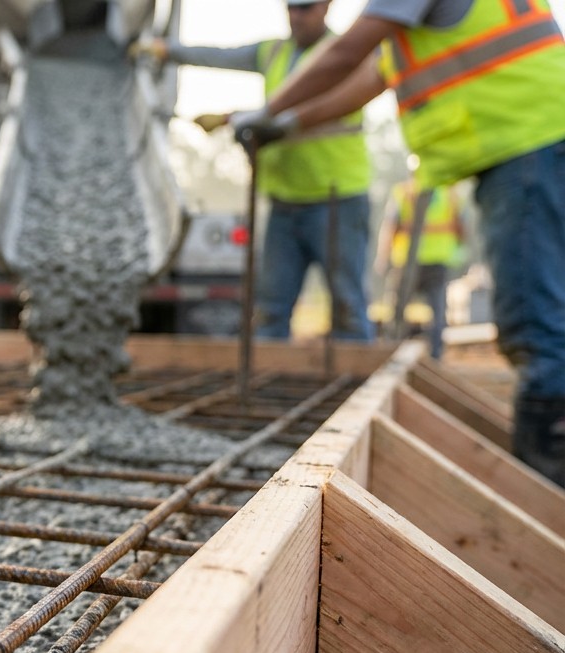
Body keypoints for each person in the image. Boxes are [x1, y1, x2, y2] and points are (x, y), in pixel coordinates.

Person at [230, 0, 565, 487]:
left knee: (535, 327)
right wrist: (290, 124)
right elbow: (368, 78)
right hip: (534, 144)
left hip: (532, 145)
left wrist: (268, 108)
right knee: (543, 319)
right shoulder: (411, 25)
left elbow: (347, 52)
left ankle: (550, 487)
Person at [134, 0, 376, 342]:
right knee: (269, 310)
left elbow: (319, 107)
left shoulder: (344, 55)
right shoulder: (273, 51)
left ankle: (355, 380)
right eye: (291, 8)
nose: (296, 16)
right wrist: (166, 50)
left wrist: (241, 117)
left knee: (348, 307)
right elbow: (220, 55)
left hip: (337, 200)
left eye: (305, 8)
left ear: (326, 7)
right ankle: (270, 384)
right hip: (284, 202)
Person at [375, 177, 466, 359]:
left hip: (415, 261)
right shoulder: (448, 193)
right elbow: (461, 228)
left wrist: (383, 257)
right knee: (434, 311)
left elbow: (390, 226)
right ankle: (434, 355)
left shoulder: (404, 192)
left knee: (403, 310)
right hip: (421, 261)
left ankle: (395, 349)